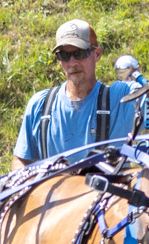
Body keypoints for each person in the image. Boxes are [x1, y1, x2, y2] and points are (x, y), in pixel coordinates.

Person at [12, 19, 138, 169]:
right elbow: (21, 161)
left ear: (97, 54)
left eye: (79, 53)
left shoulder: (120, 98)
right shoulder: (40, 105)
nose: (72, 63)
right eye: (64, 55)